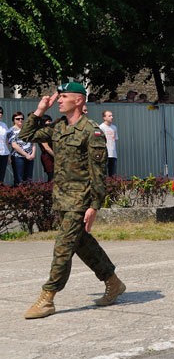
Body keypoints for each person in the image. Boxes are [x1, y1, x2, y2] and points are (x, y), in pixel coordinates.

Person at [20, 82, 125, 319]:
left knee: (63, 247)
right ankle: (113, 281)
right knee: (82, 244)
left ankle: (47, 298)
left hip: (80, 200)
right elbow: (26, 135)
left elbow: (98, 172)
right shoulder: (59, 128)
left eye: (63, 96)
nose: (57, 100)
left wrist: (94, 206)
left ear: (78, 101)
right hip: (62, 199)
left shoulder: (92, 131)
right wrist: (39, 111)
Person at [8, 111, 35, 185]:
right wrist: (26, 155)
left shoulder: (26, 129)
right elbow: (14, 145)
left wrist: (33, 154)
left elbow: (33, 143)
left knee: (29, 179)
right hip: (18, 157)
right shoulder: (11, 130)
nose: (20, 120)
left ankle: (29, 195)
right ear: (13, 120)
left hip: (30, 157)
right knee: (19, 179)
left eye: (22, 118)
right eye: (18, 119)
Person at [99, 110, 119, 177]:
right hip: (104, 154)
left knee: (112, 174)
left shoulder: (114, 128)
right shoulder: (101, 127)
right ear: (104, 118)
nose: (112, 117)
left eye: (112, 115)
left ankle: (112, 186)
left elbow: (114, 139)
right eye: (109, 116)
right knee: (103, 173)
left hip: (113, 154)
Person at [38, 115, 55, 181]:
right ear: (43, 122)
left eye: (50, 121)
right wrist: (56, 156)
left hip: (53, 156)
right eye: (48, 121)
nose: (50, 122)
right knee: (51, 176)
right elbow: (46, 147)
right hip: (47, 157)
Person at [0, 106, 9, 184]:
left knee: (2, 175)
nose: (0, 114)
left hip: (4, 153)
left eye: (1, 113)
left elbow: (6, 140)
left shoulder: (4, 125)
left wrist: (8, 155)